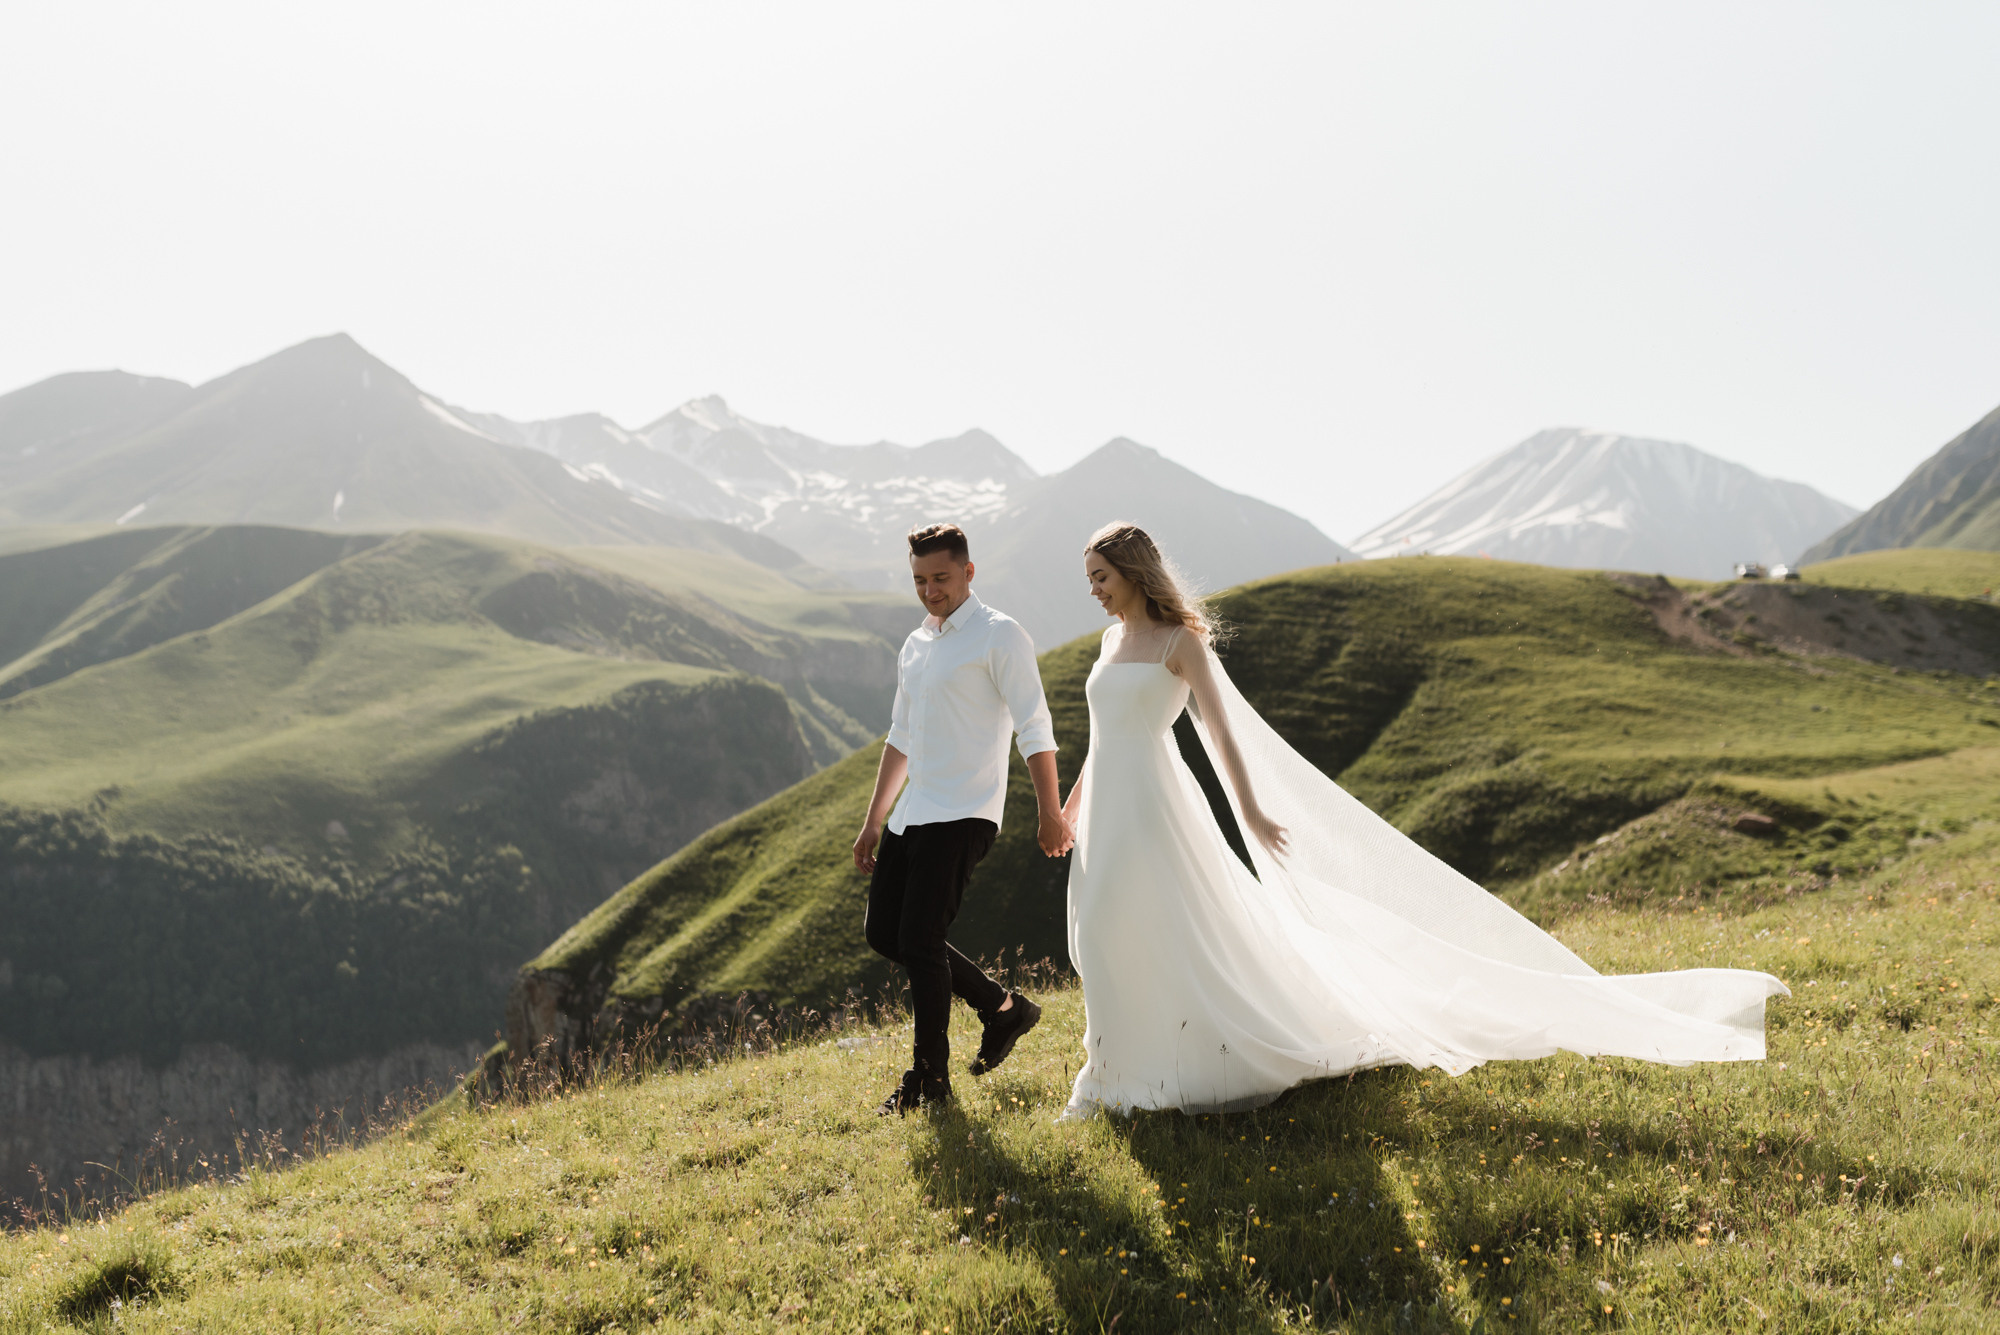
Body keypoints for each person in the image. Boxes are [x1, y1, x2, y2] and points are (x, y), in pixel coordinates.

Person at [1058, 521, 1789, 1119]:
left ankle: (1150, 1074)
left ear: (1134, 570)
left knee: (1158, 928)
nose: (1094, 590)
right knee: (1105, 929)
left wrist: (1249, 809)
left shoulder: (1181, 643)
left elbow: (1219, 733)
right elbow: (1102, 736)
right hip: (1108, 807)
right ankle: (1112, 1068)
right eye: (1089, 578)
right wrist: (1071, 804)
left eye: (1102, 575)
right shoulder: (1107, 644)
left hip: (1158, 808)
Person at [853, 522, 1073, 1115]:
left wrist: (1049, 812)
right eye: (920, 580)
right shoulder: (916, 644)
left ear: (969, 573)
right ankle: (1005, 1009)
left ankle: (930, 1081)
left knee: (921, 942)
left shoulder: (1001, 636)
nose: (931, 590)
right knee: (885, 934)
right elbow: (900, 736)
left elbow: (1035, 726)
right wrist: (875, 819)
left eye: (942, 578)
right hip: (913, 812)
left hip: (965, 812)